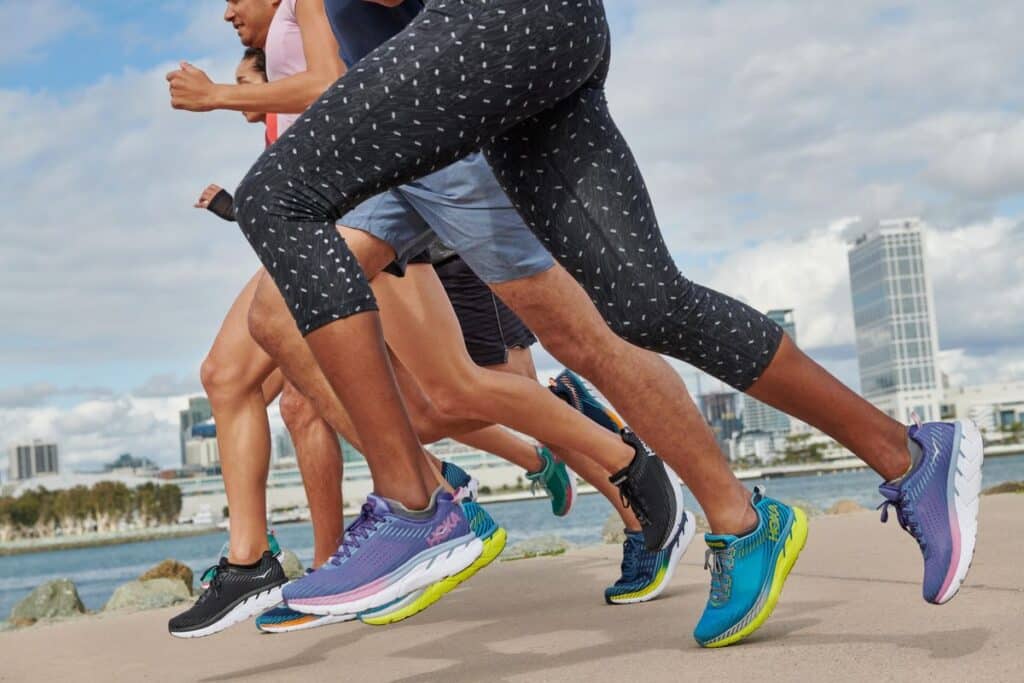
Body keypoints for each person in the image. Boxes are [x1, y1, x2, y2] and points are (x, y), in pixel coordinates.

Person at [175, 0, 984, 647]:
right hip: (510, 60)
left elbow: (336, 66)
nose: (222, 13)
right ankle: (907, 455)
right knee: (642, 303)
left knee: (284, 203)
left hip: (485, 46)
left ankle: (421, 507)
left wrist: (221, 95)